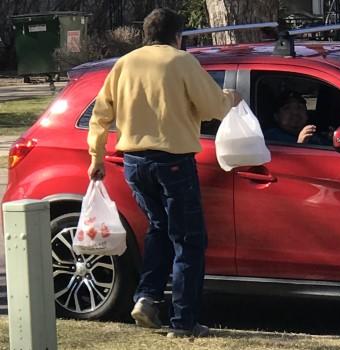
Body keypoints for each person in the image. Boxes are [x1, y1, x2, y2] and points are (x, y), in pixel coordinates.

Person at [87, 8, 241, 338]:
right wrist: (231, 98)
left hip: (132, 162)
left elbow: (100, 116)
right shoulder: (181, 61)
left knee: (158, 229)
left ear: (145, 33)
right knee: (188, 240)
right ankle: (183, 322)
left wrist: (96, 157)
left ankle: (147, 297)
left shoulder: (124, 64)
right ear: (177, 35)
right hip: (173, 160)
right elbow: (213, 106)